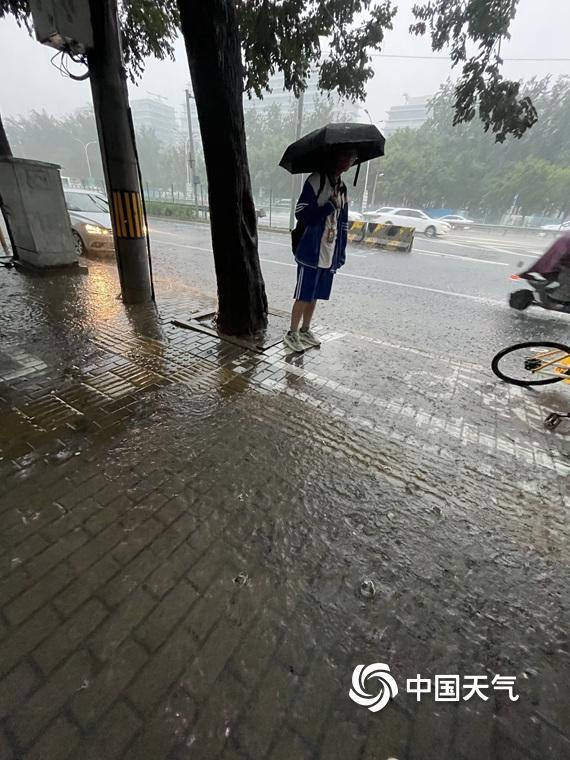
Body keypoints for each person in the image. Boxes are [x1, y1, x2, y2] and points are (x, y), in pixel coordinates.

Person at [284, 148, 356, 352]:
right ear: (335, 157)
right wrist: (328, 205)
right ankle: (292, 332)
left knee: (315, 294)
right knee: (304, 293)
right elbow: (301, 213)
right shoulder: (316, 180)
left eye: (352, 158)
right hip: (311, 250)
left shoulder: (341, 187)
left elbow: (342, 223)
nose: (349, 161)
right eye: (347, 156)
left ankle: (305, 330)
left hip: (329, 250)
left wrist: (340, 252)